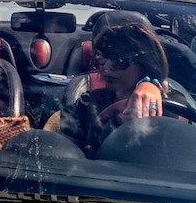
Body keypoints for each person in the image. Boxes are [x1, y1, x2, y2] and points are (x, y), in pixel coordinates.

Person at [60, 22, 168, 157]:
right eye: (102, 57)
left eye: (120, 60)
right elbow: (66, 158)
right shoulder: (85, 104)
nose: (107, 67)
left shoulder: (172, 105)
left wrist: (153, 88)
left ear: (146, 64)